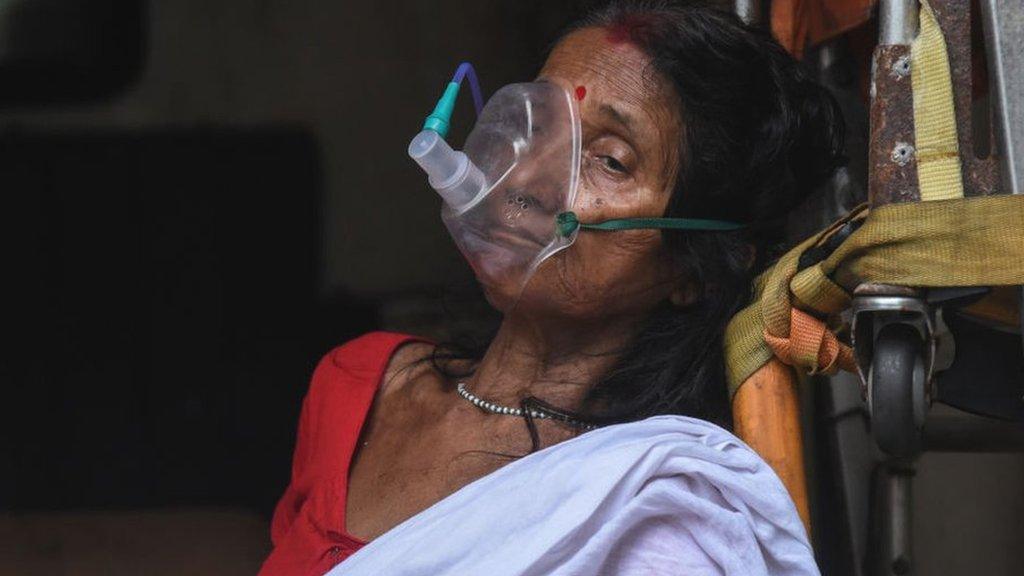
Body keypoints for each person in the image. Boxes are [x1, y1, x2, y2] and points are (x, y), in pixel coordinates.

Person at [260, 1, 842, 574]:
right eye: (537, 123)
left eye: (610, 161)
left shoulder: (650, 508)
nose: (529, 175)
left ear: (692, 271)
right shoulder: (360, 386)